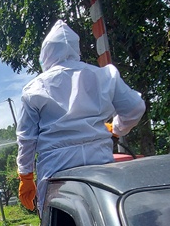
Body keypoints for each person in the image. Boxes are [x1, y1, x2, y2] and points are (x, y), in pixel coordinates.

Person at [17, 20, 145, 213]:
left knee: (57, 223)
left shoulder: (35, 88)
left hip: (56, 169)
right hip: (99, 161)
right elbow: (135, 108)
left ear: (46, 54)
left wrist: (26, 176)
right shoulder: (105, 75)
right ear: (76, 50)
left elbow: (26, 138)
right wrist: (116, 129)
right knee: (104, 217)